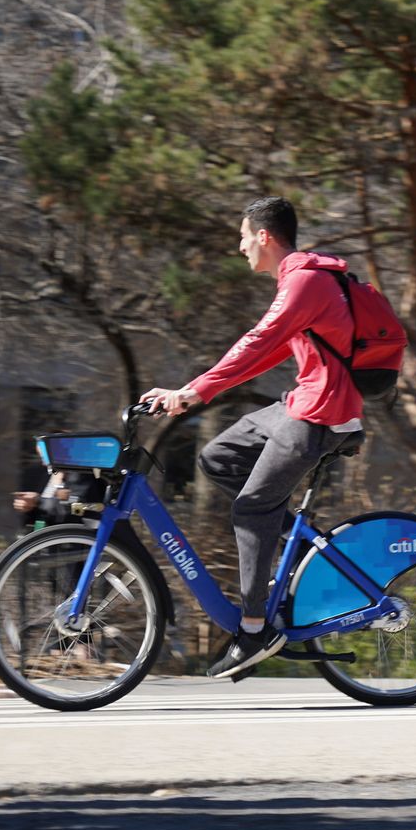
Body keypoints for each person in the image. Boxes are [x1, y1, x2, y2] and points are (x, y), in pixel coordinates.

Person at [142, 196, 363, 679]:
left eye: (243, 237)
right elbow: (269, 351)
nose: (239, 247)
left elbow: (257, 343)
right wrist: (196, 392)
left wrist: (191, 392)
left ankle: (255, 627)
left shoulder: (303, 280)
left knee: (251, 507)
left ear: (265, 236)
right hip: (302, 402)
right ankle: (301, 551)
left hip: (324, 411)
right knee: (218, 458)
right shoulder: (299, 282)